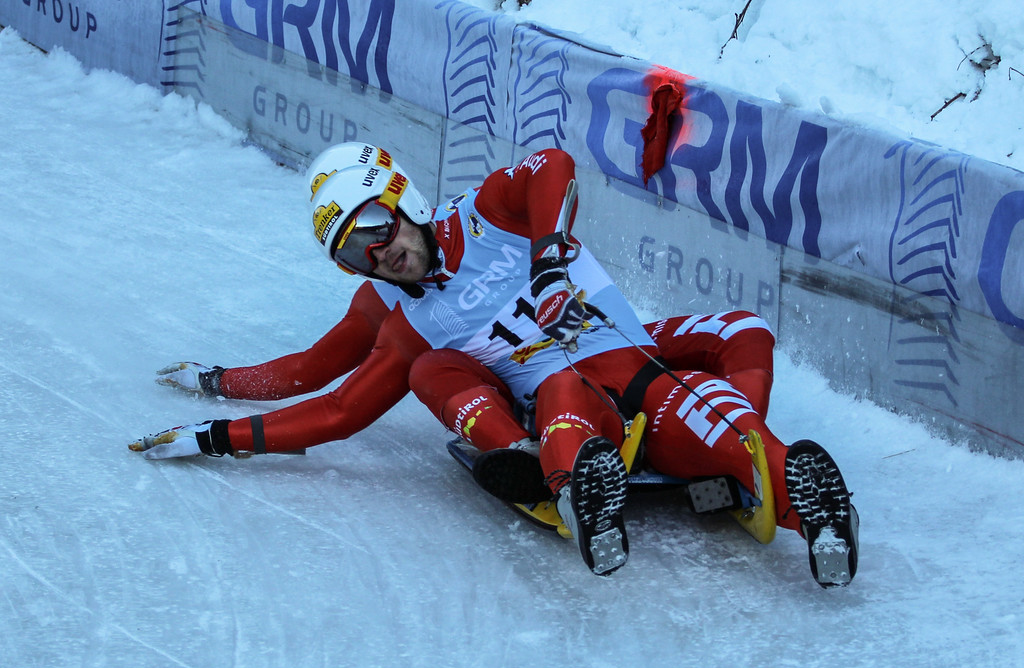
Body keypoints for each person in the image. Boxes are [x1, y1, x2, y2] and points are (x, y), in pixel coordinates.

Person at [131, 143, 858, 587]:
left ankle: (809, 509)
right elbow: (334, 403)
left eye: (379, 227)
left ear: (403, 201)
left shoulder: (485, 213)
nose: (379, 252)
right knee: (471, 375)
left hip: (627, 358)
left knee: (719, 373)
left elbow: (555, 165)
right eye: (355, 251)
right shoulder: (403, 320)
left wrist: (547, 264)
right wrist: (216, 418)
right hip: (562, 397)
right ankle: (562, 480)